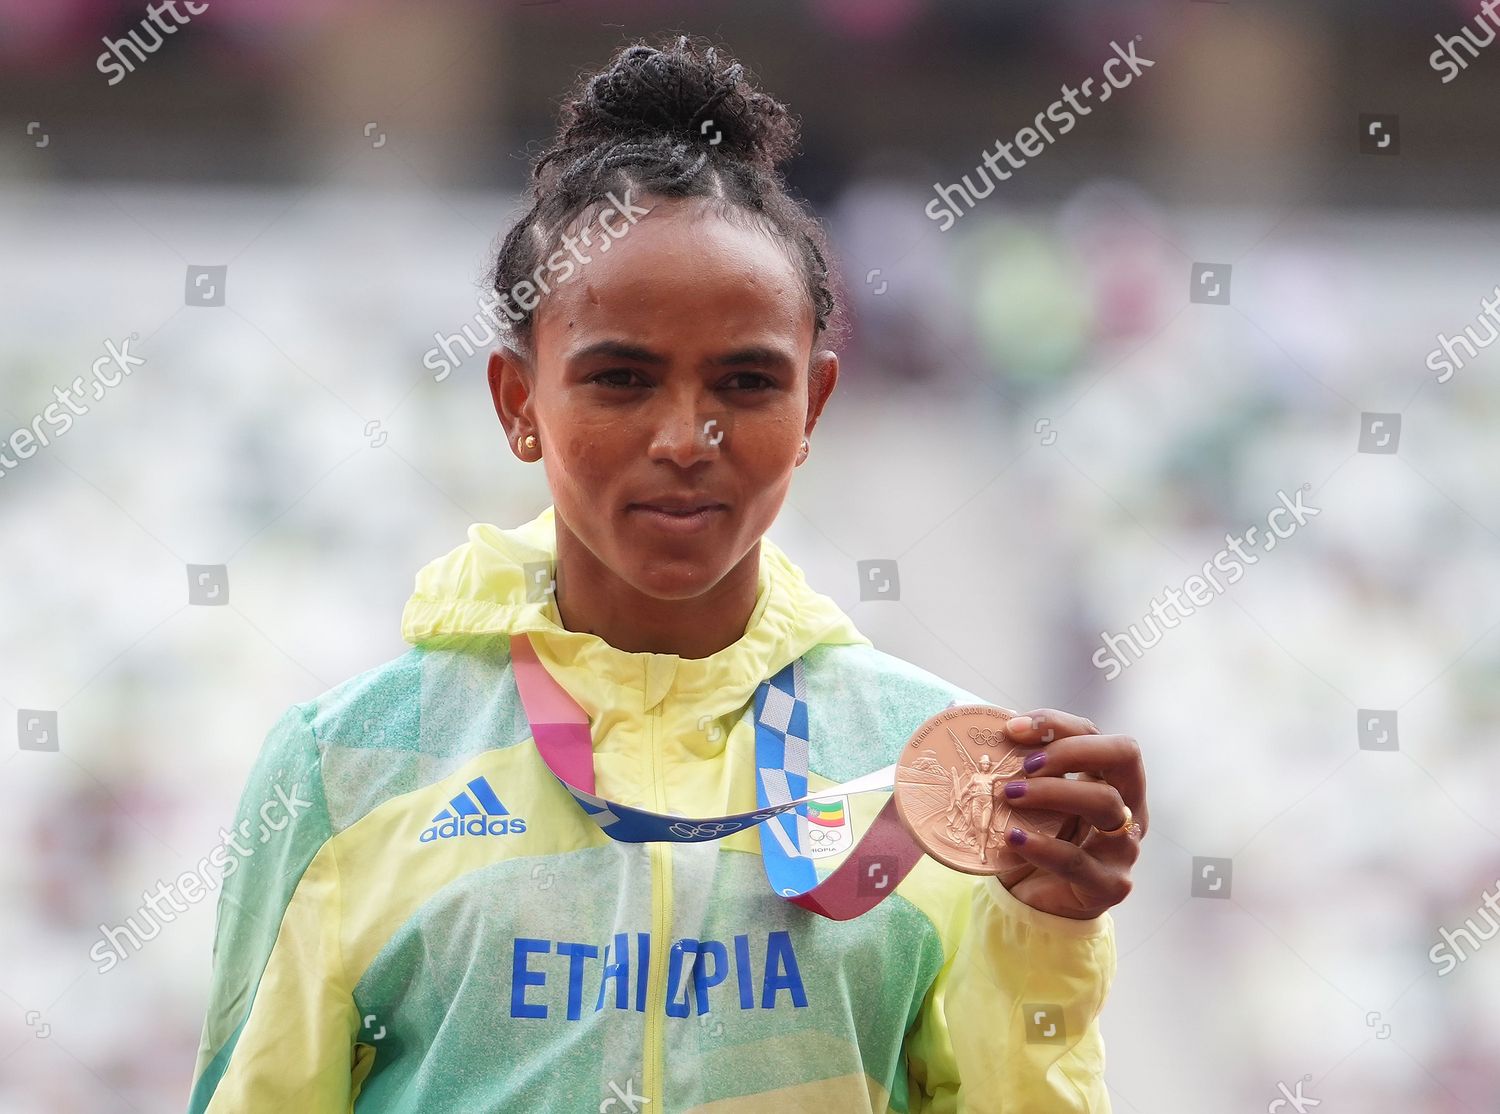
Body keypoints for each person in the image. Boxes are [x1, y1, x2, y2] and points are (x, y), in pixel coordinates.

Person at [186, 33, 1147, 1113]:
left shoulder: (934, 777)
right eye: (621, 378)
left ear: (813, 407)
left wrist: (1049, 935)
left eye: (745, 380)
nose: (687, 435)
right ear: (516, 403)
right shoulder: (348, 767)